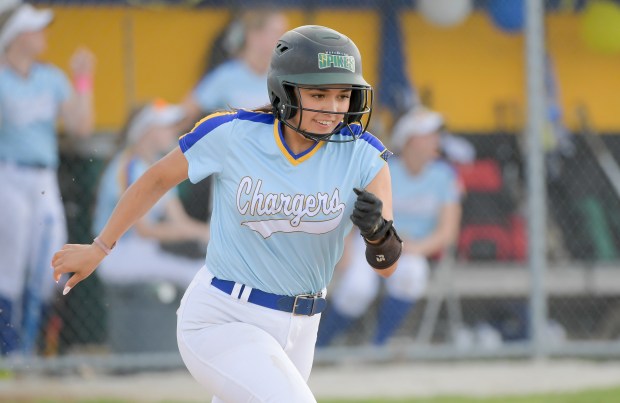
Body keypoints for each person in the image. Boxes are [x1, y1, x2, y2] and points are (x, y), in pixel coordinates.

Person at [52, 25, 402, 401]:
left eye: (342, 95)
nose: (332, 108)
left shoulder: (364, 154)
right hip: (225, 315)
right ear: (284, 91)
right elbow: (155, 180)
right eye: (318, 94)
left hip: (303, 326)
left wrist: (377, 232)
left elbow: (387, 265)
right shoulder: (233, 133)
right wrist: (100, 247)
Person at [317, 107, 462, 347]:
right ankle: (321, 346)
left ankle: (377, 346)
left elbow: (448, 232)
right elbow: (351, 212)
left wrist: (416, 247)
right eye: (427, 135)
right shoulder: (381, 167)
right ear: (409, 141)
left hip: (412, 247)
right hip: (368, 240)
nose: (435, 141)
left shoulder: (444, 175)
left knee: (412, 275)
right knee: (357, 288)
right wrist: (345, 250)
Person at [0, 0, 95, 356]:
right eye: (34, 29)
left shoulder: (50, 77)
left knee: (49, 265)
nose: (42, 35)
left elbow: (81, 127)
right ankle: (9, 351)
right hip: (8, 174)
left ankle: (34, 351)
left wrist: (84, 79)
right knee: (9, 264)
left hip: (44, 178)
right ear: (15, 35)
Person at [92, 99, 209, 289]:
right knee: (197, 275)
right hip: (116, 253)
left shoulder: (158, 167)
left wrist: (211, 234)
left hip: (144, 249)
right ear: (147, 131)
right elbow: (144, 231)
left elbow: (179, 222)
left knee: (206, 269)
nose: (174, 130)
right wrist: (202, 234)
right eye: (166, 126)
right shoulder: (128, 166)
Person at [181, 8, 288, 123]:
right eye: (276, 33)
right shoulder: (226, 75)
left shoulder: (286, 77)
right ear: (253, 35)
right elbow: (186, 113)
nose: (284, 41)